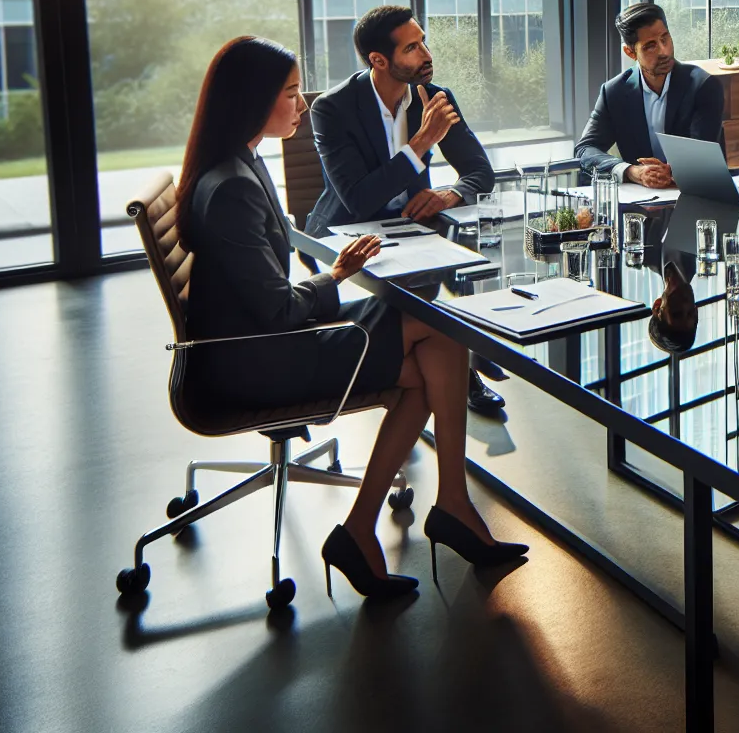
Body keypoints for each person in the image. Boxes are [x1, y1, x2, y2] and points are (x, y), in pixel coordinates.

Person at [175, 37, 526, 599]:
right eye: (290, 93)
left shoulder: (236, 163)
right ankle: (449, 509)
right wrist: (336, 275)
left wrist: (332, 276)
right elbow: (280, 308)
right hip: (257, 361)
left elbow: (269, 297)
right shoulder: (234, 188)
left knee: (434, 357)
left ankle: (373, 527)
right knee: (442, 337)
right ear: (253, 101)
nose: (303, 103)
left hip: (257, 343)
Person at [304, 4, 505, 415]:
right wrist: (422, 143)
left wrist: (450, 194)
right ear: (379, 60)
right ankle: (461, 366)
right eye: (412, 48)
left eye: (424, 42)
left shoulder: (434, 97)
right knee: (424, 284)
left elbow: (480, 171)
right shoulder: (332, 109)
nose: (427, 55)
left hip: (413, 227)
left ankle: (462, 351)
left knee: (466, 263)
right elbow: (359, 199)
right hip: (347, 233)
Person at [575, 2, 727, 187]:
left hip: (697, 195)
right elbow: (585, 150)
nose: (664, 51)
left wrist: (668, 172)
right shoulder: (614, 92)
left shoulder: (703, 86)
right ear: (630, 52)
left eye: (665, 39)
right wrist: (631, 171)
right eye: (650, 46)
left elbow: (703, 156)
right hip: (641, 205)